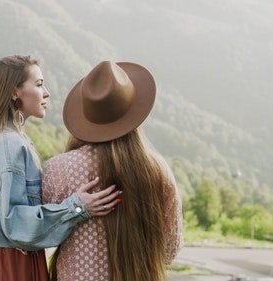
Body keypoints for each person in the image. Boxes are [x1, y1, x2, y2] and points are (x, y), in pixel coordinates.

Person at [0, 55, 121, 281]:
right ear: (14, 92)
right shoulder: (9, 143)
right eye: (39, 84)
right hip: (9, 263)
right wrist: (77, 208)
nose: (47, 92)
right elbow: (14, 222)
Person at [42, 61, 183, 281]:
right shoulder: (158, 171)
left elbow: (43, 235)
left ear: (86, 114)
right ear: (133, 111)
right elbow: (169, 250)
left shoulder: (58, 169)